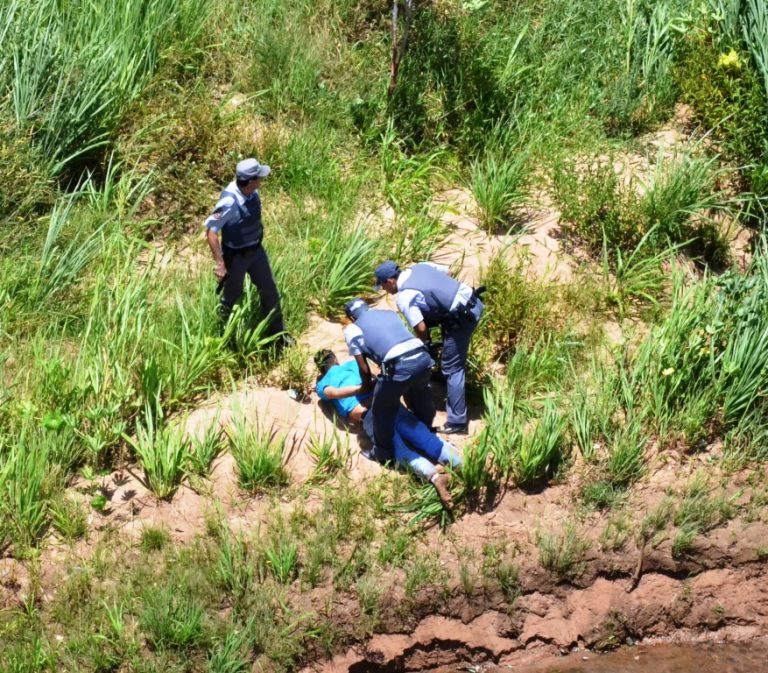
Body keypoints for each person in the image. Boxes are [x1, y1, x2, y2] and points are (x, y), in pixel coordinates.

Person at [314, 349, 461, 507]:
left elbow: (332, 393)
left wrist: (358, 391)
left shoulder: (322, 383)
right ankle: (460, 463)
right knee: (423, 436)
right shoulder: (352, 364)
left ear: (321, 369)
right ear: (336, 359)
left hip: (368, 414)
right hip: (386, 402)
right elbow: (379, 374)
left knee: (399, 450)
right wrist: (367, 387)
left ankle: (435, 478)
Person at [373, 260, 484, 435]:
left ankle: (457, 422)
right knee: (444, 340)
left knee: (453, 368)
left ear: (390, 281)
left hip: (462, 319)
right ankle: (442, 373)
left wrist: (426, 345)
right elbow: (447, 272)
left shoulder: (404, 297)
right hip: (474, 301)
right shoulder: (420, 266)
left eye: (383, 287)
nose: (386, 291)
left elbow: (420, 327)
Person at [204, 158, 290, 342]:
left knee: (269, 290)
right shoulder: (229, 201)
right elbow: (211, 232)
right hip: (236, 258)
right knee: (231, 297)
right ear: (250, 180)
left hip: (256, 252)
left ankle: (278, 335)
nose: (262, 180)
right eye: (259, 177)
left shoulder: (253, 191)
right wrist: (220, 264)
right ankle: (224, 338)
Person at [342, 297, 435, 464]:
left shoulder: (352, 328)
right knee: (420, 392)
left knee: (380, 411)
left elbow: (363, 367)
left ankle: (383, 453)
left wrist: (366, 386)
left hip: (399, 366)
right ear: (367, 308)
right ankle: (424, 429)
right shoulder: (388, 313)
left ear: (351, 317)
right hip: (423, 357)